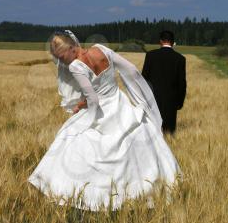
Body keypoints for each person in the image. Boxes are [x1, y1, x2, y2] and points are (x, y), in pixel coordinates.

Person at [28, 30, 181, 211]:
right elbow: (130, 69)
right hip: (120, 103)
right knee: (136, 146)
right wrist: (141, 96)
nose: (62, 61)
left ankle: (88, 197)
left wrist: (82, 112)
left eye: (62, 57)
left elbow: (93, 99)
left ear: (71, 47)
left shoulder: (76, 66)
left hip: (101, 109)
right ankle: (143, 191)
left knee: (73, 140)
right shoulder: (100, 49)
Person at [141, 31, 186, 134]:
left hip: (152, 101)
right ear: (173, 42)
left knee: (153, 133)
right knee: (169, 133)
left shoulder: (150, 55)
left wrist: (143, 99)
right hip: (171, 102)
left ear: (160, 41)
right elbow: (182, 84)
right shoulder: (180, 59)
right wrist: (179, 103)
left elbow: (143, 80)